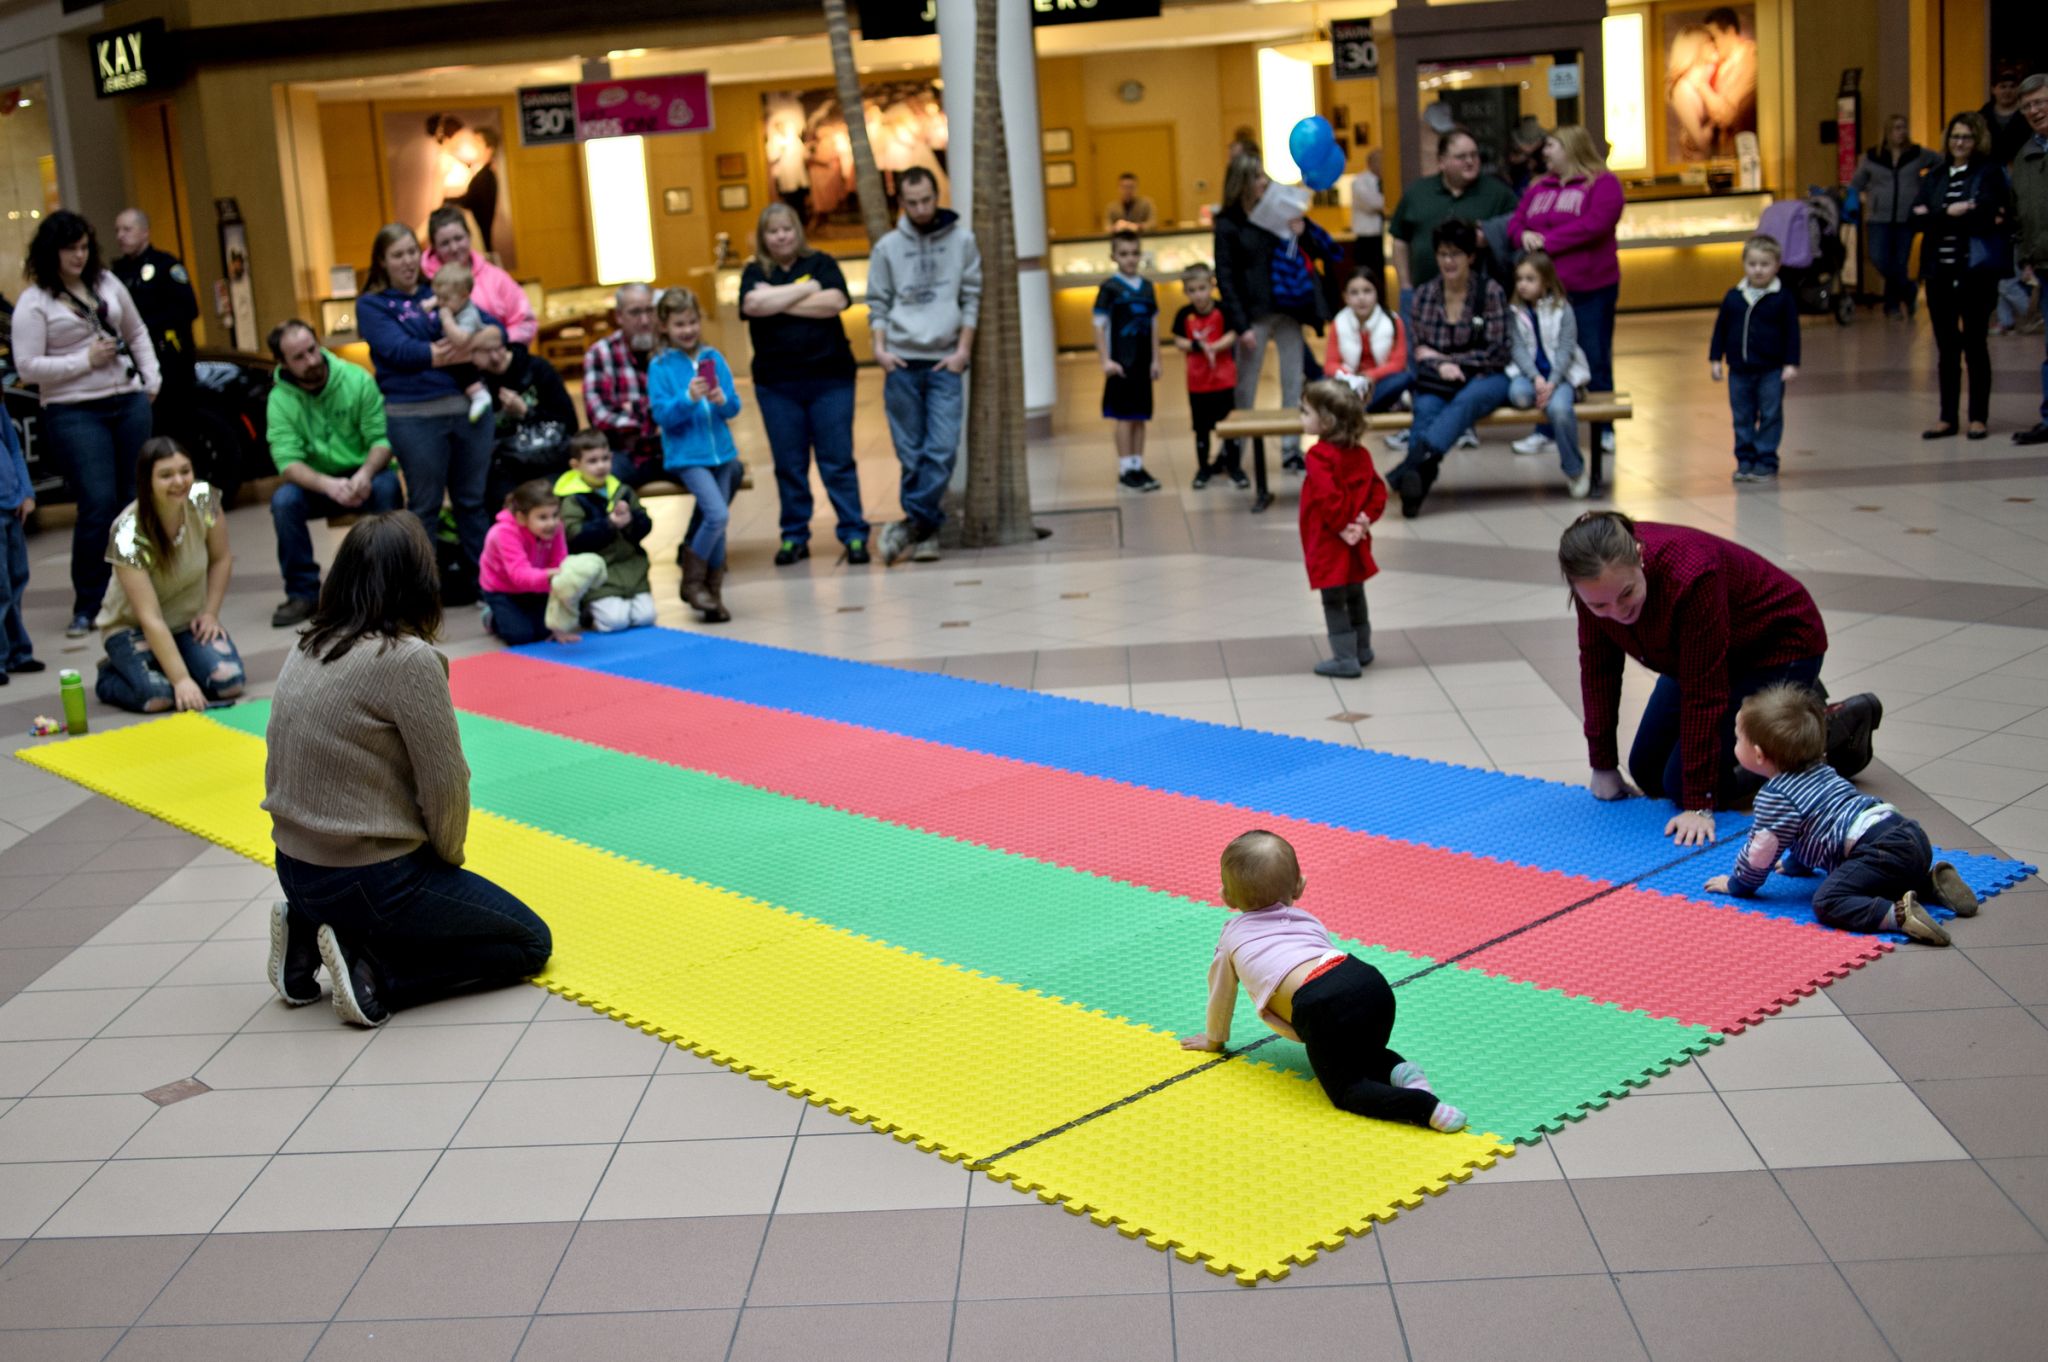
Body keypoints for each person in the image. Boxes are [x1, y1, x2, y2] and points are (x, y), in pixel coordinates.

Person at [262, 511, 552, 1027]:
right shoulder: (407, 659)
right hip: (366, 880)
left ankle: (307, 932)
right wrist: (446, 861)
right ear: (420, 582)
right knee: (529, 942)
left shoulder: (308, 641)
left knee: (392, 903)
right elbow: (446, 784)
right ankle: (374, 973)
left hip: (292, 868)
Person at [1558, 509, 1881, 847]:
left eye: (1627, 593)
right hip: (1699, 656)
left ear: (1639, 555)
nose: (1618, 612)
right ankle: (1790, 707)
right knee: (1647, 772)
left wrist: (1699, 803)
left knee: (1681, 786)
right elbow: (1598, 670)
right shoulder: (1592, 583)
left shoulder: (1691, 576)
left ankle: (1819, 734)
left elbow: (1704, 692)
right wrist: (1603, 764)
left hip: (1777, 647)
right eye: (1600, 607)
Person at [1180, 830, 1466, 1134]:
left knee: (1347, 1090)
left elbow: (1222, 993)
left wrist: (1214, 1039)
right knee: (1358, 1053)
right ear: (1300, 886)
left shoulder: (1232, 936)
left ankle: (1422, 1107)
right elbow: (1322, 964)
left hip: (1320, 1002)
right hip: (1366, 981)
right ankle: (1402, 1071)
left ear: (1226, 897)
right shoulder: (1307, 919)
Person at [1702, 684, 1979, 946]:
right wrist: (1797, 865)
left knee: (1828, 900)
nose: (1734, 744)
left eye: (1738, 739)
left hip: (1879, 850)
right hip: (1909, 836)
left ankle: (1898, 915)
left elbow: (1761, 852)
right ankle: (1929, 883)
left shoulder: (1775, 796)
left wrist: (1737, 884)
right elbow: (1813, 825)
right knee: (1878, 875)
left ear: (1759, 755)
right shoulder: (1821, 769)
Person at [12, 210, 161, 638]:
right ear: (51, 252)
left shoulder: (106, 283)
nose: (78, 256)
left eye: (83, 247)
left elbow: (136, 332)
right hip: (74, 410)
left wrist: (151, 379)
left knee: (134, 500)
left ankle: (139, 592)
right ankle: (90, 602)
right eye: (69, 249)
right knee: (98, 502)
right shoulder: (35, 302)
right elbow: (28, 366)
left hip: (127, 400)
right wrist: (84, 361)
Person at [356, 223, 497, 570]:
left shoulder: (438, 288)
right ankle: (423, 590)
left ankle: (488, 589)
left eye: (411, 252)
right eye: (397, 255)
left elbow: (496, 332)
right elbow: (402, 352)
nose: (407, 261)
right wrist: (466, 348)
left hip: (468, 412)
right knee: (425, 507)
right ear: (382, 261)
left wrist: (461, 345)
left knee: (472, 503)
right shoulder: (372, 305)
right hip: (414, 416)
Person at [739, 202, 869, 565]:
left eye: (787, 229)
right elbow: (751, 305)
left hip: (831, 381)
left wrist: (775, 299)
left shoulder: (821, 263)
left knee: (837, 461)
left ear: (798, 231)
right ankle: (794, 536)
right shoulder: (754, 271)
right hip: (777, 385)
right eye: (773, 231)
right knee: (789, 465)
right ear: (763, 237)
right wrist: (808, 290)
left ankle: (854, 533)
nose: (781, 236)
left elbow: (835, 301)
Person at [868, 165, 981, 566]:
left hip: (943, 363)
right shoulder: (887, 247)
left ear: (937, 197)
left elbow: (971, 297)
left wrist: (962, 351)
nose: (920, 209)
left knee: (942, 450)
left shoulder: (962, 241)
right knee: (912, 456)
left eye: (926, 200)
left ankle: (908, 526)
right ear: (901, 202)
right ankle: (926, 534)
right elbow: (878, 303)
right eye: (912, 202)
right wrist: (880, 351)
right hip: (900, 362)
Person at [264, 319, 402, 628]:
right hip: (317, 482)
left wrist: (364, 474)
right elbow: (287, 461)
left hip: (365, 472)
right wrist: (328, 485)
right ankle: (303, 593)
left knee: (388, 487)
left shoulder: (356, 379)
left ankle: (390, 586)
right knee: (284, 502)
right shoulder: (279, 400)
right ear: (283, 362)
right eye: (299, 357)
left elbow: (381, 439)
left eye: (312, 349)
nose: (311, 360)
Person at [94, 437, 244, 713]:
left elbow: (221, 558)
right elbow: (149, 617)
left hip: (186, 622)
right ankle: (110, 675)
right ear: (146, 481)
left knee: (228, 682)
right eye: (166, 475)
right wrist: (182, 680)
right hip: (131, 627)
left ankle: (169, 662)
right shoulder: (126, 530)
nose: (179, 481)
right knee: (158, 696)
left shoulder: (204, 497)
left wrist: (210, 614)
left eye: (185, 471)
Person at [1506, 125, 1625, 463]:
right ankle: (1545, 430)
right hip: (1543, 295)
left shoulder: (1603, 183)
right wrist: (1523, 236)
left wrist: (1547, 242)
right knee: (1544, 355)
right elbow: (1516, 223)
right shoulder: (1538, 186)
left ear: (1571, 147)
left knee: (1595, 356)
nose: (1545, 152)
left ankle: (1604, 429)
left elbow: (1596, 224)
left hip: (1590, 287)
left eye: (1551, 145)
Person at [1212, 155, 1338, 470]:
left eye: (1263, 176)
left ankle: (1291, 450)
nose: (1263, 182)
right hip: (1252, 314)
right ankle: (1235, 452)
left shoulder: (1277, 211)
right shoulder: (1228, 223)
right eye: (1257, 177)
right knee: (1246, 386)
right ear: (1241, 182)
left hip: (1289, 308)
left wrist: (1302, 230)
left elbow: (1314, 251)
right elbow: (1226, 277)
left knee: (1293, 380)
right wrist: (1240, 325)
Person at [1386, 219, 1511, 518]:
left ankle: (1411, 467)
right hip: (1438, 379)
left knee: (1468, 400)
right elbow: (1420, 349)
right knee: (1425, 408)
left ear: (1471, 256)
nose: (1448, 261)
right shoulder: (1425, 294)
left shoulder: (1490, 292)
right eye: (1442, 254)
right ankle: (1415, 484)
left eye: (1455, 254)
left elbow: (1497, 351)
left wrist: (1449, 361)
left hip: (1486, 377)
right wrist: (1441, 364)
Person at [1910, 111, 2012, 441]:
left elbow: (1987, 216)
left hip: (1975, 272)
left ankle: (1978, 417)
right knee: (1946, 347)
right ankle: (1947, 417)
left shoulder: (1989, 172)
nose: (1959, 143)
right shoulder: (1936, 175)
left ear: (1977, 140)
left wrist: (1938, 216)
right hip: (1938, 271)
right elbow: (1916, 218)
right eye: (1955, 136)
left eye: (1966, 137)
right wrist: (1950, 212)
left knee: (1975, 344)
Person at [648, 287, 742, 622]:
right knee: (717, 516)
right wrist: (687, 399)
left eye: (692, 322)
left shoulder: (714, 357)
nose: (687, 330)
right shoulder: (660, 366)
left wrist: (721, 400)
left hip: (722, 455)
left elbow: (734, 406)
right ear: (664, 326)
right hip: (688, 457)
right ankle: (692, 583)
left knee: (717, 525)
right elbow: (662, 415)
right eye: (679, 324)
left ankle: (713, 597)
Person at [1297, 380, 1386, 679]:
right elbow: (1378, 491)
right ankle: (1363, 648)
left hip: (1329, 542)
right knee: (1355, 593)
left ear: (1326, 421)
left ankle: (1344, 658)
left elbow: (1328, 498)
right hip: (1357, 540)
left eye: (1305, 412)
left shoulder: (1319, 457)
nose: (1301, 417)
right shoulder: (1360, 455)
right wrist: (1363, 520)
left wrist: (1342, 526)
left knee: (1333, 599)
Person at [1387, 128, 1518, 315]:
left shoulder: (1498, 193)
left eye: (1474, 155)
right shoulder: (1417, 193)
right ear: (1441, 162)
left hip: (1480, 302)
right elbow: (1400, 239)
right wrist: (1405, 285)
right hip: (1424, 300)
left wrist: (1490, 235)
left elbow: (1518, 230)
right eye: (1461, 157)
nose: (1470, 161)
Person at [1709, 235, 1800, 482]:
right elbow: (1721, 329)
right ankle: (1745, 459)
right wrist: (1715, 359)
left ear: (1776, 266)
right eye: (1752, 264)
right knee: (1742, 416)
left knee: (1770, 414)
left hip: (1771, 369)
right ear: (1744, 264)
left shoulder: (1782, 297)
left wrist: (1791, 362)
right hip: (1739, 370)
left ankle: (1766, 459)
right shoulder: (1734, 297)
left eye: (1764, 264)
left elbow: (1792, 332)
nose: (1758, 270)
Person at [476, 478, 605, 646]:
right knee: (520, 636)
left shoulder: (556, 528)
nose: (551, 523)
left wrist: (557, 624)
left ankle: (528, 615)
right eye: (542, 517)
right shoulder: (503, 533)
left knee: (546, 630)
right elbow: (519, 576)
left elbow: (559, 562)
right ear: (521, 518)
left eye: (555, 515)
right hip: (503, 589)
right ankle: (491, 617)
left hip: (538, 584)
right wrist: (553, 574)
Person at [1506, 252, 1593, 498]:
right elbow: (1517, 348)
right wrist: (1536, 378)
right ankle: (1546, 395)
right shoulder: (1514, 311)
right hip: (1531, 376)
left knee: (1560, 410)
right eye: (1519, 279)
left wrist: (1552, 382)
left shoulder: (1562, 309)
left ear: (1545, 281)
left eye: (1530, 279)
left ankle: (1575, 470)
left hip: (1561, 377)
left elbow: (1566, 349)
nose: (1522, 285)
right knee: (1519, 396)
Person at [109, 208, 200, 437]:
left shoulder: (165, 266)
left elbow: (188, 309)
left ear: (145, 232)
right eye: (117, 230)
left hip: (169, 361)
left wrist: (143, 327)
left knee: (175, 428)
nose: (120, 236)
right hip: (133, 364)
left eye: (127, 229)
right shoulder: (117, 273)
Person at [469, 325, 578, 513]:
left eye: (498, 348)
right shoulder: (476, 384)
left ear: (505, 344)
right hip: (506, 467)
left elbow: (569, 421)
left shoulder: (538, 368)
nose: (495, 358)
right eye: (485, 352)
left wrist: (526, 411)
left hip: (548, 458)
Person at [553, 432, 654, 634]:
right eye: (592, 461)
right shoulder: (572, 497)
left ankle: (618, 603)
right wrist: (608, 524)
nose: (600, 466)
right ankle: (587, 609)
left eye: (605, 459)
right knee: (615, 622)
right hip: (598, 573)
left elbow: (645, 526)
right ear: (576, 465)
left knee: (646, 617)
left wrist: (630, 521)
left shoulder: (622, 490)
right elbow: (574, 536)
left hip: (631, 567)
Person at [1850, 116, 1941, 320]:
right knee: (1879, 258)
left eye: (1903, 128)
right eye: (1896, 128)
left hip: (1906, 217)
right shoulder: (1872, 157)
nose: (1901, 132)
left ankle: (1891, 306)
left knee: (1900, 262)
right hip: (1878, 216)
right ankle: (1909, 289)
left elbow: (1940, 163)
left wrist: (1925, 186)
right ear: (1888, 131)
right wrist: (1864, 197)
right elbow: (1857, 183)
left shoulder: (1917, 154)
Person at [1094, 230, 1162, 492]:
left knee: (1140, 416)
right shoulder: (1109, 288)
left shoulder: (1148, 288)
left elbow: (1154, 325)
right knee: (1124, 417)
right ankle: (1125, 469)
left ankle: (1137, 464)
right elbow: (1099, 326)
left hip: (1143, 363)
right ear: (1114, 257)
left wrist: (1156, 359)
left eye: (1134, 253)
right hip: (1121, 363)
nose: (1130, 259)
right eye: (1124, 254)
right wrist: (1105, 361)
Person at [580, 283, 663, 486]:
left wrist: (634, 411)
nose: (645, 320)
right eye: (635, 312)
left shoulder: (670, 349)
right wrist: (651, 425)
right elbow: (598, 415)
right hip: (625, 452)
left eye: (650, 311)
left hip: (670, 449)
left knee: (727, 469)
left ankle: (706, 511)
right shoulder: (600, 353)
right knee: (599, 480)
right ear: (619, 316)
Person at [1170, 264, 1243, 490]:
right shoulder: (1184, 314)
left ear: (1211, 287)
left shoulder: (1223, 310)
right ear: (1185, 291)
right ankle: (1203, 468)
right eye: (1192, 290)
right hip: (1198, 382)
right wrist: (1198, 346)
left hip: (1223, 379)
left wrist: (1215, 347)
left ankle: (1234, 466)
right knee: (1201, 428)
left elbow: (1233, 334)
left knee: (1229, 426)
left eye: (1202, 288)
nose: (1198, 295)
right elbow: (1178, 340)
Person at [2013, 74, 2048, 447]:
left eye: (2040, 102)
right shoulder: (2025, 156)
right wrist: (2023, 255)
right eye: (2027, 107)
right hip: (2043, 264)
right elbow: (2020, 212)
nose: (2035, 111)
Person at [1324, 269, 1409, 413]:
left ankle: (1354, 408)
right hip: (1349, 384)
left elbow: (1398, 363)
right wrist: (1351, 378)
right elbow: (1330, 364)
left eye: (1367, 291)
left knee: (1404, 378)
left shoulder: (1393, 321)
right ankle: (1370, 406)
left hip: (1380, 382)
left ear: (1377, 293)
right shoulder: (1339, 322)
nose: (1361, 298)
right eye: (1354, 293)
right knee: (1322, 380)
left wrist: (1370, 376)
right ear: (1345, 297)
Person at [425, 258, 494, 424]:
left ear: (464, 296)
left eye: (445, 299)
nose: (441, 303)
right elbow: (441, 297)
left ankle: (478, 394)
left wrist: (446, 319)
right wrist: (429, 303)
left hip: (473, 356)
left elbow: (461, 340)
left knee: (463, 368)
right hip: (458, 351)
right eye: (438, 297)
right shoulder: (453, 301)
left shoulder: (469, 314)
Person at [0, 407, 38, 684]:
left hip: (11, 503)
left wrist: (26, 491)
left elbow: (14, 448)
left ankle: (18, 651)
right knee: (0, 588)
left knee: (16, 579)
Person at [1348, 148, 1386, 298]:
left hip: (1381, 238)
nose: (1383, 165)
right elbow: (1375, 204)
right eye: (1379, 161)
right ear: (1370, 163)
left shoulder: (1386, 181)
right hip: (1366, 240)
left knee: (1381, 279)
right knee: (1366, 278)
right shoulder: (1359, 182)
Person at [1983, 61, 2033, 168]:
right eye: (2003, 87)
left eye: (2012, 86)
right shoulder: (1982, 117)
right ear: (1993, 89)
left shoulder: (2029, 115)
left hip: (2023, 168)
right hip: (1988, 171)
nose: (2007, 91)